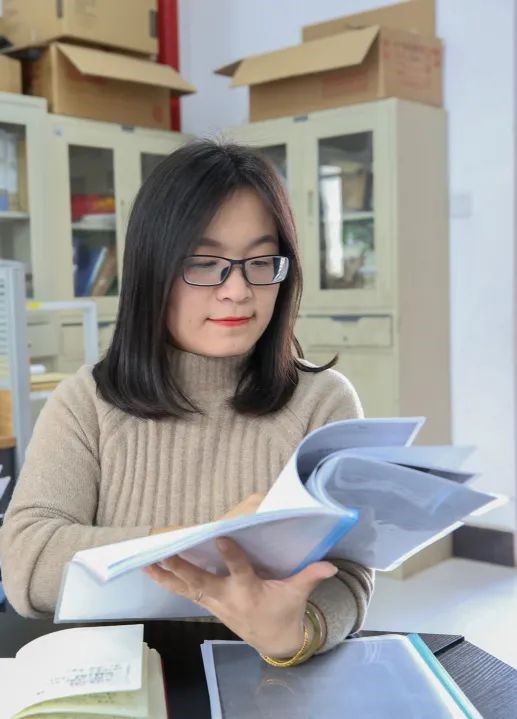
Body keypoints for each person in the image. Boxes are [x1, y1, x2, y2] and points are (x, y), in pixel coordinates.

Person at [0, 140, 374, 666]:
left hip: (265, 678)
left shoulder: (323, 402)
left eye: (261, 261)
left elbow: (349, 576)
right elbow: (27, 567)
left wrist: (296, 633)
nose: (238, 290)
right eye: (204, 262)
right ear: (153, 270)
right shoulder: (86, 401)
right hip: (118, 676)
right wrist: (216, 538)